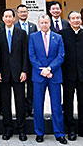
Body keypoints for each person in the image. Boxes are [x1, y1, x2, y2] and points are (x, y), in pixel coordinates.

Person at [28, 14, 67, 144]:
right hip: (39, 76)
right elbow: (32, 56)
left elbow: (61, 56)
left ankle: (59, 133)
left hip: (54, 75)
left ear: (50, 23)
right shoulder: (33, 37)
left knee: (56, 106)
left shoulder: (58, 37)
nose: (44, 25)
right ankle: (39, 133)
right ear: (39, 24)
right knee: (38, 106)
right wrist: (43, 70)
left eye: (46, 22)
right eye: (42, 22)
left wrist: (50, 69)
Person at [60, 11, 83, 141]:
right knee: (68, 103)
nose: (76, 20)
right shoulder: (62, 34)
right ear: (69, 21)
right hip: (68, 75)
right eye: (73, 18)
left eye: (78, 18)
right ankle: (71, 129)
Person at [0, 8, 29, 141]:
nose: (8, 19)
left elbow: (25, 53)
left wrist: (24, 70)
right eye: (6, 16)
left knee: (20, 102)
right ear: (3, 18)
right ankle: (8, 129)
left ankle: (21, 130)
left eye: (11, 16)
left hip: (18, 73)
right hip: (3, 74)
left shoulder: (21, 33)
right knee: (5, 103)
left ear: (14, 18)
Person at [15, 4, 37, 117]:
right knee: (20, 86)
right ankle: (22, 108)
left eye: (25, 11)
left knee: (31, 86)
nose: (23, 13)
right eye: (21, 12)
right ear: (17, 14)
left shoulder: (33, 26)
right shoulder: (14, 27)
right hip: (19, 60)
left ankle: (31, 107)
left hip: (32, 60)